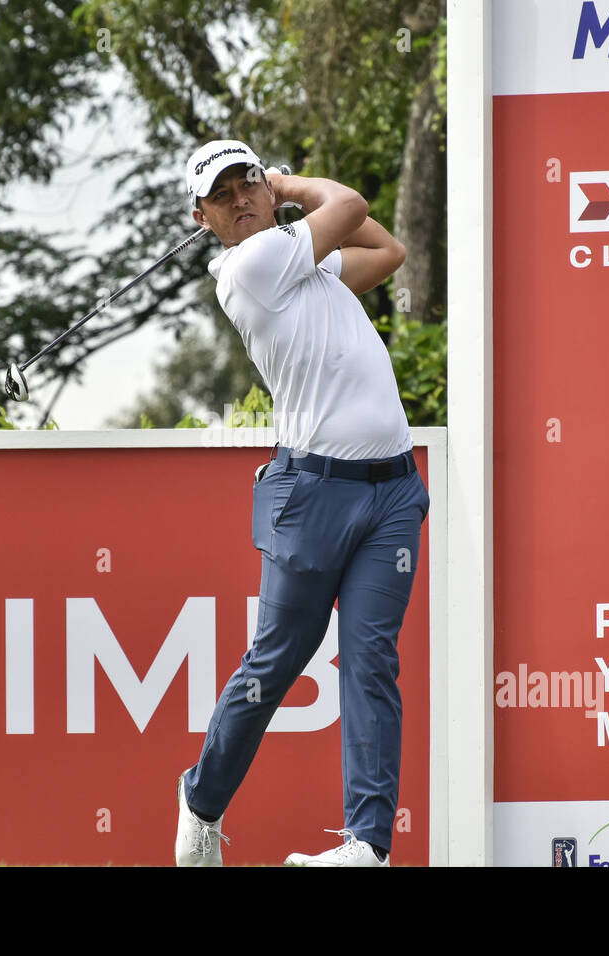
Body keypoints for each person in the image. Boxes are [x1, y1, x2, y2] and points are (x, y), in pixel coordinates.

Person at [173, 139, 429, 867]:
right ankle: (202, 800)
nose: (242, 198)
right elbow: (350, 206)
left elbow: (389, 252)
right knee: (278, 660)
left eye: (247, 181)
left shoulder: (302, 263)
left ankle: (366, 847)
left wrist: (284, 195)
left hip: (393, 494)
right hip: (312, 494)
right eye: (223, 195)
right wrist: (288, 183)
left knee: (371, 660)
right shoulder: (250, 265)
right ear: (205, 219)